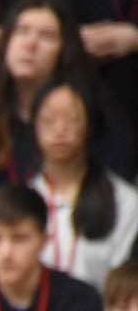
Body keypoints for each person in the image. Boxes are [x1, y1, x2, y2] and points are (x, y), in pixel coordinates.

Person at [0, 0, 124, 190]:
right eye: (21, 31)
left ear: (64, 51)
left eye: (46, 36)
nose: (30, 44)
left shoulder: (89, 111)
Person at [26, 79, 138, 291]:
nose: (60, 129)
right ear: (34, 126)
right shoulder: (23, 199)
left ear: (90, 124)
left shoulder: (124, 200)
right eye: (49, 119)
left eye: (71, 118)